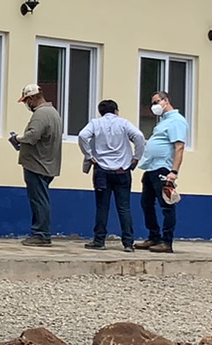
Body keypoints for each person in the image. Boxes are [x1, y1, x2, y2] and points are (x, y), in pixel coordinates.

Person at [75, 99, 144, 250]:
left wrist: (89, 155)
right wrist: (136, 157)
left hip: (102, 171)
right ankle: (128, 243)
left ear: (101, 112)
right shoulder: (124, 123)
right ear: (116, 111)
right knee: (124, 208)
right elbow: (139, 136)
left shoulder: (95, 123)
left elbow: (82, 136)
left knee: (102, 207)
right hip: (122, 170)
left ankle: (99, 241)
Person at [8, 83, 62, 246]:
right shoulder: (53, 112)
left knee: (38, 200)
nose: (26, 104)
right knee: (41, 199)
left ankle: (41, 234)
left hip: (37, 165)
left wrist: (17, 138)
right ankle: (41, 233)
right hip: (48, 163)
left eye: (26, 101)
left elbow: (32, 136)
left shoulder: (41, 114)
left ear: (32, 98)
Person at [138, 90, 188, 252]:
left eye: (156, 102)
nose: (154, 106)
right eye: (152, 103)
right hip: (151, 167)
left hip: (163, 168)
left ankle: (167, 242)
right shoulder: (163, 121)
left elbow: (179, 147)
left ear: (166, 101)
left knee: (167, 205)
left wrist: (173, 172)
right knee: (146, 203)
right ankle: (154, 236)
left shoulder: (176, 121)